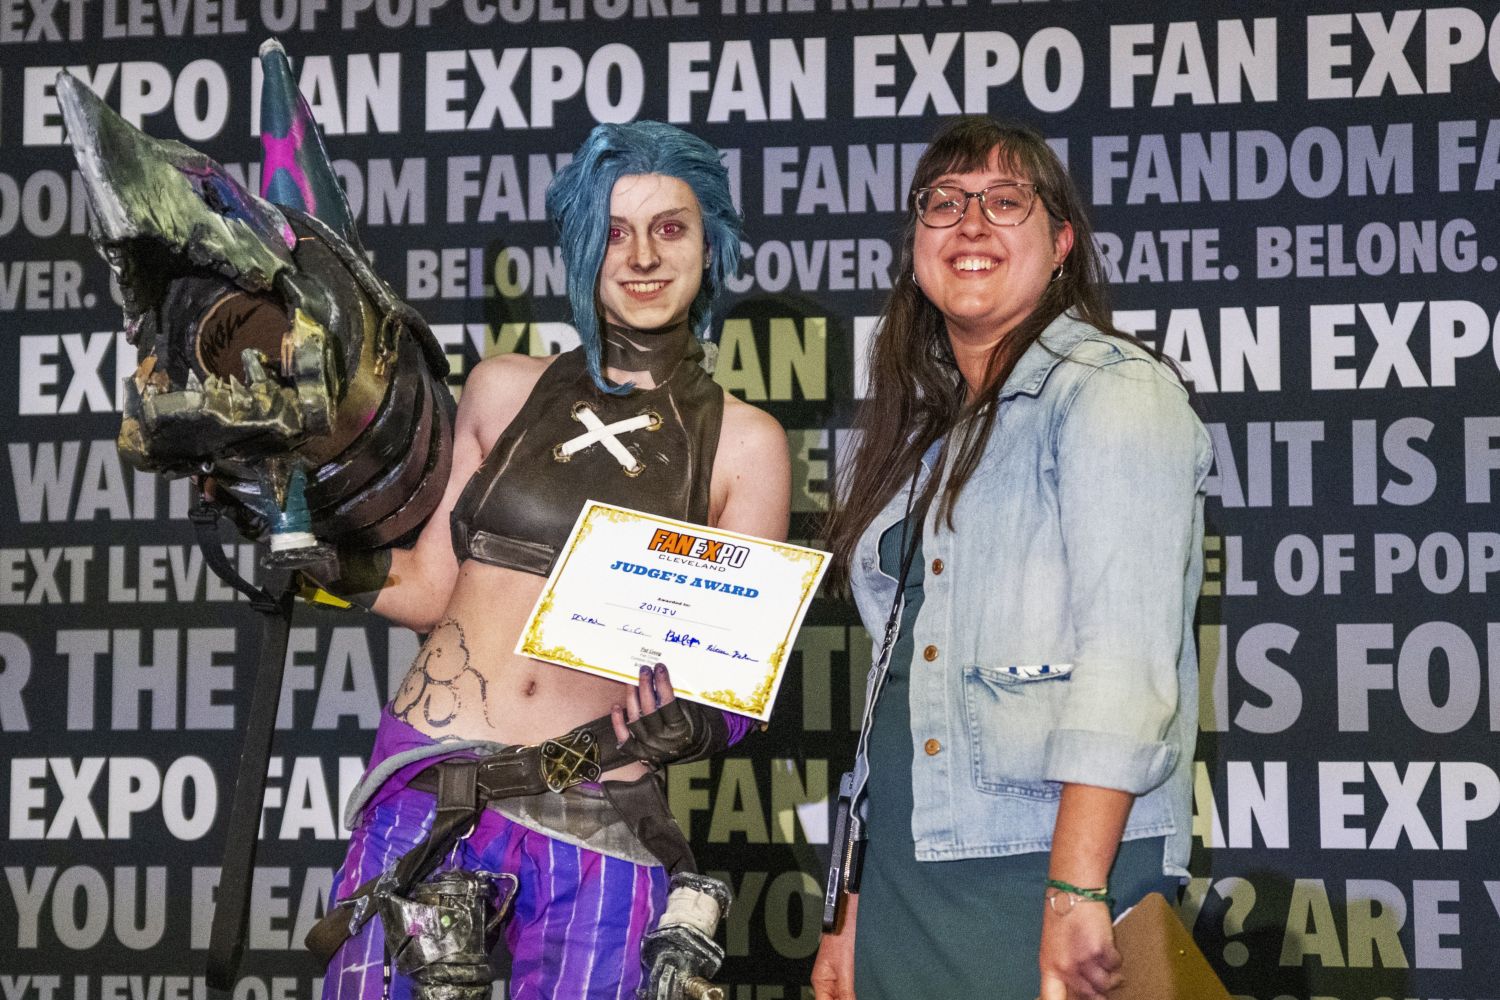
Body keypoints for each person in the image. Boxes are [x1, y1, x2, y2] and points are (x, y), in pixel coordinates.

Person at [315, 121, 790, 1000]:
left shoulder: (747, 444)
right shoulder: (503, 386)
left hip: (596, 805)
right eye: (614, 231)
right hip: (435, 785)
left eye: (670, 228)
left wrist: (697, 725)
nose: (643, 255)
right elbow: (429, 588)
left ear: (710, 245)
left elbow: (735, 688)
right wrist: (313, 564)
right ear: (580, 248)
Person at [811, 116, 1210, 1000]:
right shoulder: (918, 437)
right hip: (914, 878)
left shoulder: (1114, 391)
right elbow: (897, 698)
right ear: (915, 243)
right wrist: (852, 905)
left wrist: (1075, 888)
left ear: (1061, 242)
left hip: (1046, 867)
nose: (971, 225)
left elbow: (1128, 662)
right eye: (943, 204)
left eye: (1005, 202)